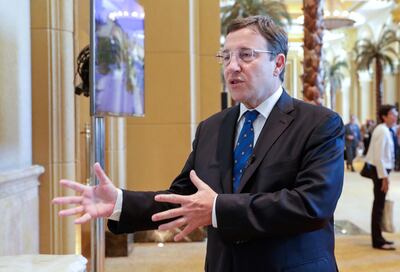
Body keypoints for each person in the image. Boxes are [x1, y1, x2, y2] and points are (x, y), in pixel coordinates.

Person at [53, 16, 344, 272]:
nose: (232, 67)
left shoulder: (319, 124)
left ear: (277, 63)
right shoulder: (212, 128)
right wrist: (119, 202)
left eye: (245, 55)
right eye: (226, 56)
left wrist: (218, 208)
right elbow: (182, 197)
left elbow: (312, 204)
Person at [365, 105, 398, 250]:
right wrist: (384, 177)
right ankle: (377, 240)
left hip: (381, 172)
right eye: (392, 114)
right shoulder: (383, 131)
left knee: (379, 204)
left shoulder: (386, 129)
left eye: (396, 113)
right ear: (384, 116)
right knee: (379, 206)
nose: (395, 116)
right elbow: (379, 157)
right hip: (379, 172)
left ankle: (379, 237)